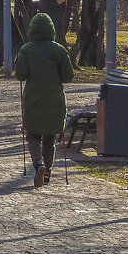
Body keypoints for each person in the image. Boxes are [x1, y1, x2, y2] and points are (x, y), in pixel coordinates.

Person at [15, 12, 75, 188]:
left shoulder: (26, 50)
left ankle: (38, 165)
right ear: (51, 30)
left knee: (33, 136)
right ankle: (47, 172)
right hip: (55, 100)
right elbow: (68, 77)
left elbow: (20, 75)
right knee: (50, 138)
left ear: (32, 30)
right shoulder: (60, 50)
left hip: (33, 100)